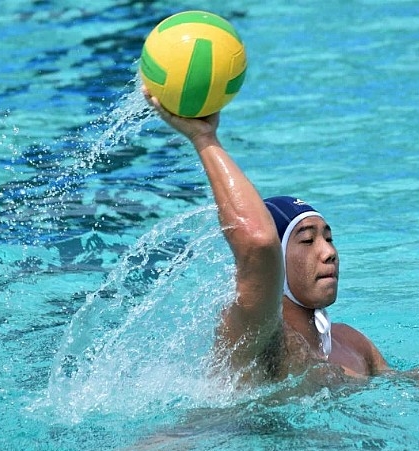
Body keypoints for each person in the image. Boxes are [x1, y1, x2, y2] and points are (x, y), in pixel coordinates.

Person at [144, 88, 390, 383]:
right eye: (307, 240)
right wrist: (204, 139)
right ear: (278, 260)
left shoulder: (352, 343)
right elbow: (258, 242)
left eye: (328, 238)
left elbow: (413, 385)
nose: (329, 252)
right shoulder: (258, 335)